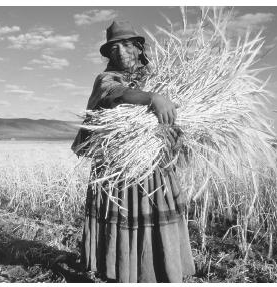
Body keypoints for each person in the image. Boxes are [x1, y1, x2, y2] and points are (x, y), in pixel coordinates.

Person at [71, 20, 195, 283]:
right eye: (113, 48)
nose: (120, 52)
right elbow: (114, 93)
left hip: (154, 165)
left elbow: (177, 114)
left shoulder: (161, 78)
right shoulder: (106, 79)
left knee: (152, 211)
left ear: (139, 48)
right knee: (124, 214)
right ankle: (118, 271)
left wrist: (172, 129)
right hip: (118, 167)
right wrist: (153, 98)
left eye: (126, 45)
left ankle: (161, 269)